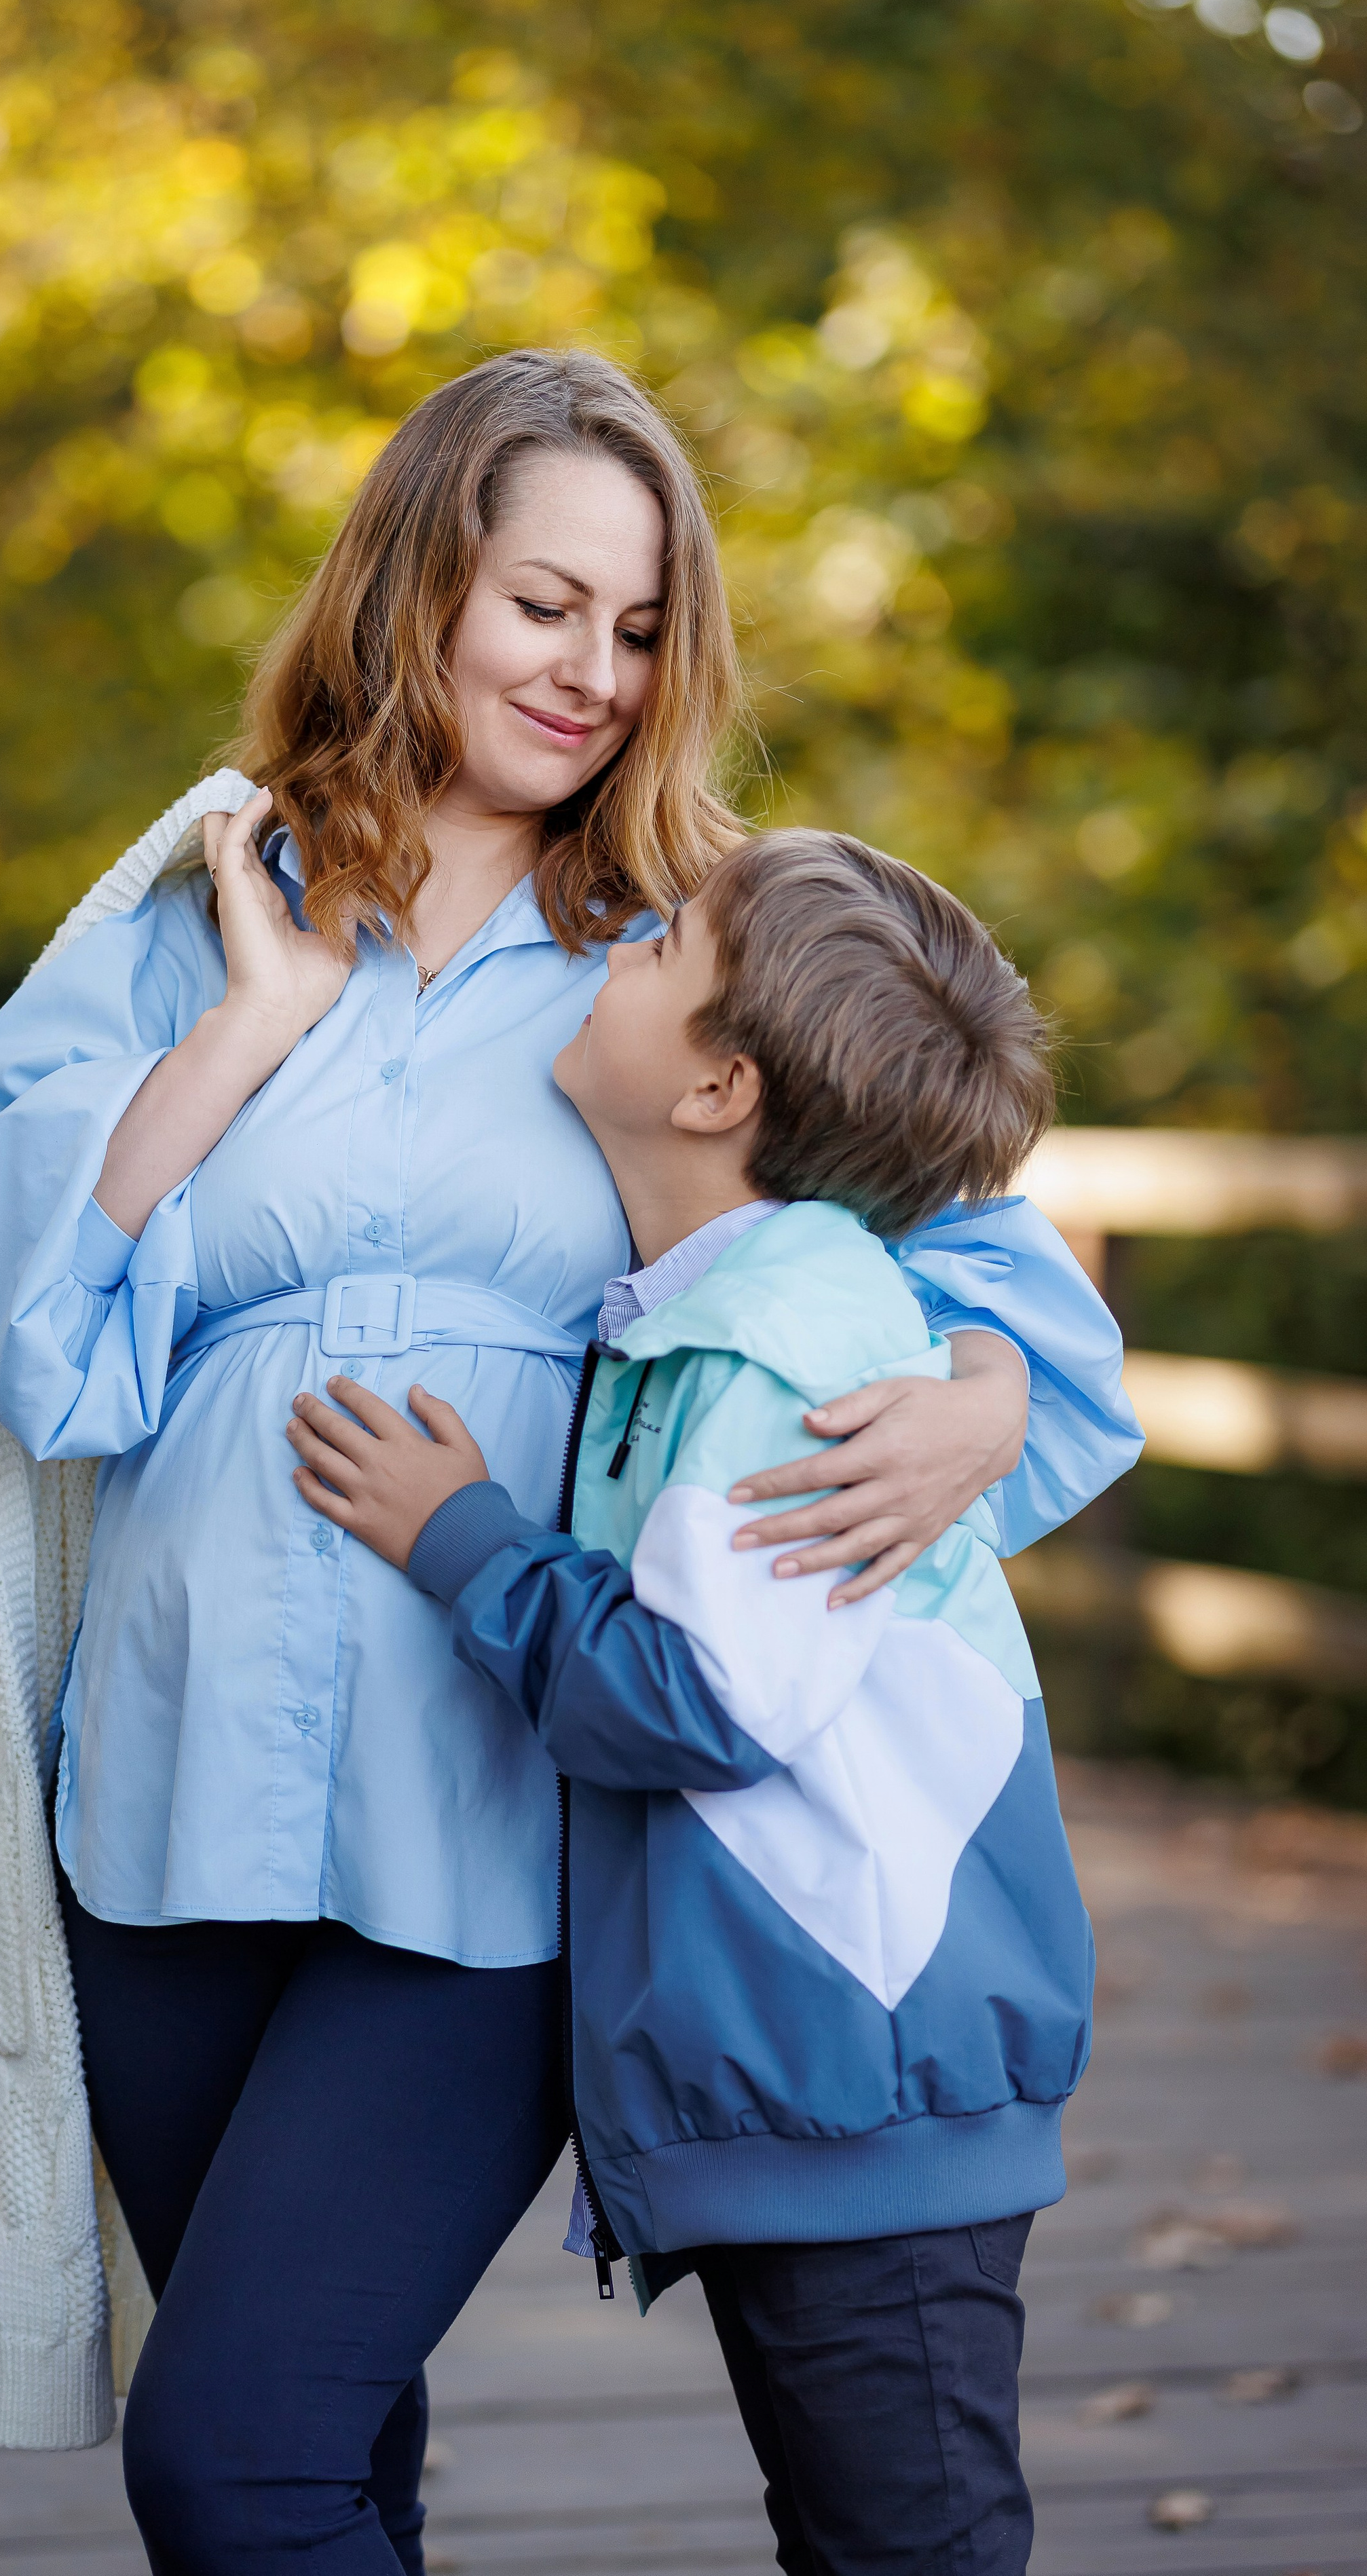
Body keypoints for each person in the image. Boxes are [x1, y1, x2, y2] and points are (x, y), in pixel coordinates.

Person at [0, 350, 1138, 2574]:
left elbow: (985, 1255)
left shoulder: (705, 936)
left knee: (235, 2456)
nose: (594, 672)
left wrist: (981, 1401)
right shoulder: (201, 902)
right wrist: (250, 1024)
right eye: (544, 605)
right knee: (316, 2449)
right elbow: (28, 1332)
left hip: (492, 1817)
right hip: (168, 1789)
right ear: (416, 590)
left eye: (641, 627)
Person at [287, 826, 1098, 2576]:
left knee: (914, 2552)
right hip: (822, 2087)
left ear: (721, 1087)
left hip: (865, 2096)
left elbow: (696, 1695)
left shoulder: (773, 1346)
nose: (618, 951)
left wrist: (463, 1540)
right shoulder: (726, 1311)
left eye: (660, 951)